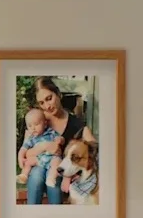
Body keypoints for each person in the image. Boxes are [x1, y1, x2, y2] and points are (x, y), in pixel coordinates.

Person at [24, 77, 97, 205]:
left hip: (62, 174)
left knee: (54, 177)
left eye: (49, 98)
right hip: (39, 169)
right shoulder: (37, 121)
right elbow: (25, 154)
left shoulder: (76, 124)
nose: (47, 106)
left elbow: (95, 149)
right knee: (36, 174)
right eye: (41, 103)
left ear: (58, 94)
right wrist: (46, 146)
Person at [17, 107, 63, 187]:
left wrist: (60, 140)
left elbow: (59, 138)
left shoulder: (50, 132)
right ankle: (24, 175)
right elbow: (23, 149)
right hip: (38, 159)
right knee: (28, 162)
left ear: (45, 124)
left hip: (52, 158)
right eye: (30, 126)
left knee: (57, 162)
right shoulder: (31, 138)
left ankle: (51, 178)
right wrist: (20, 158)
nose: (33, 128)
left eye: (36, 124)